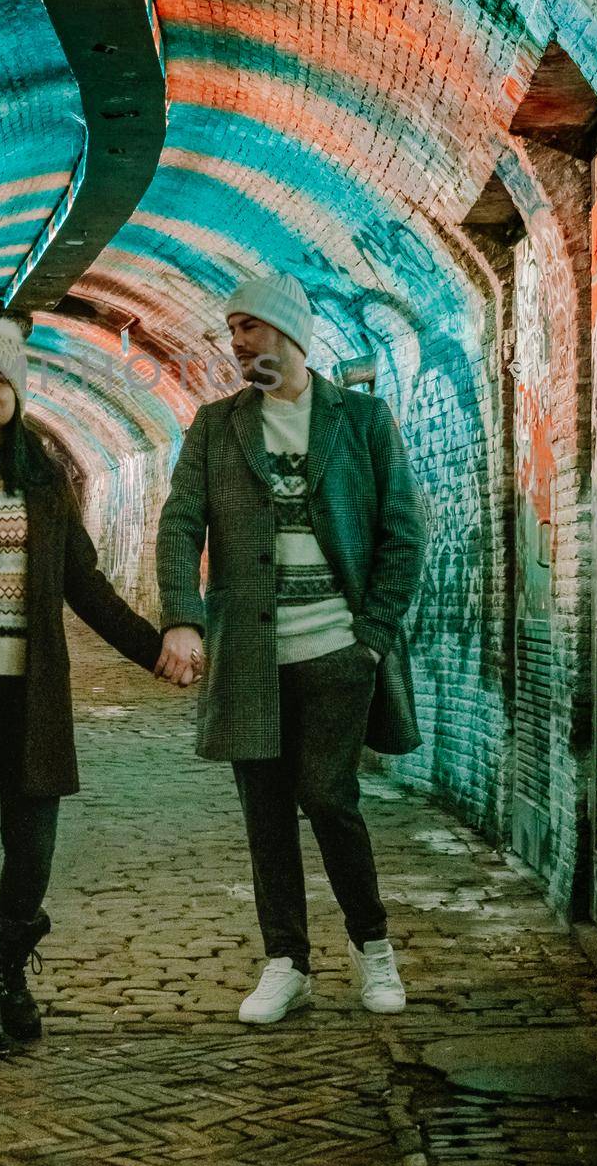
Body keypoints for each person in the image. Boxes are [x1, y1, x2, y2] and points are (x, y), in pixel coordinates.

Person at [0, 319, 199, 1057]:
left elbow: (83, 586)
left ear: (18, 393)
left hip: (32, 697)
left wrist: (154, 651)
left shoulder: (46, 480)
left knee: (32, 855)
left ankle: (10, 962)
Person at [156, 272, 427, 1025]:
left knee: (330, 800)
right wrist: (183, 617)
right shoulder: (216, 427)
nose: (237, 342)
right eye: (233, 328)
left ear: (289, 333)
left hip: (338, 654)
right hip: (249, 655)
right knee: (265, 813)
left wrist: (369, 640)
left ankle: (374, 950)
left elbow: (403, 534)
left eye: (249, 326)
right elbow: (180, 525)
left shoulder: (362, 420)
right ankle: (287, 964)